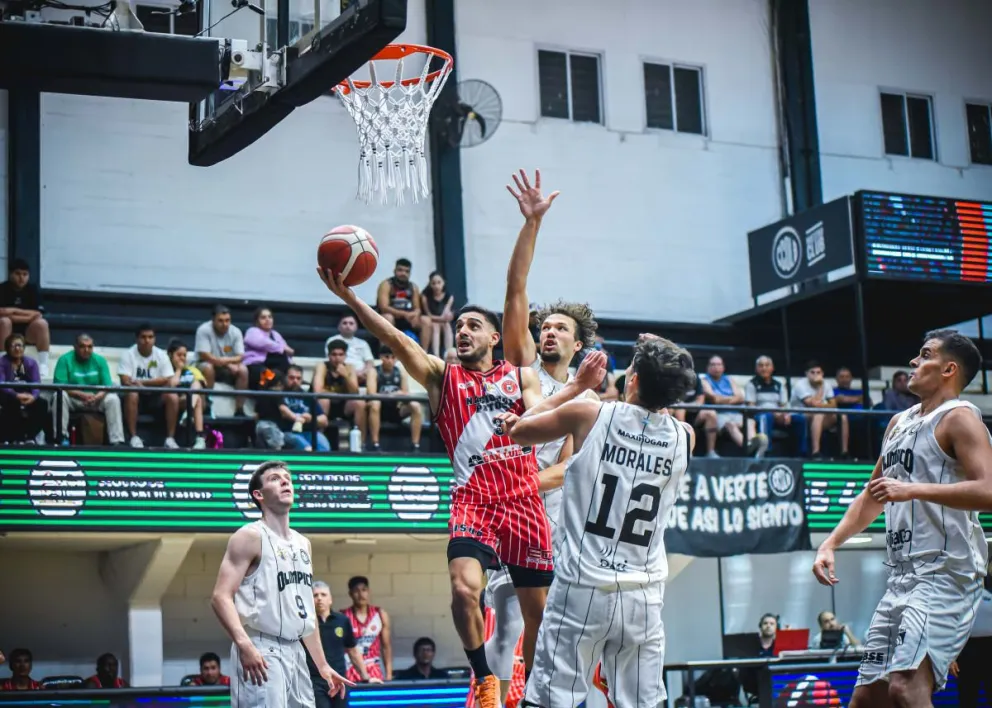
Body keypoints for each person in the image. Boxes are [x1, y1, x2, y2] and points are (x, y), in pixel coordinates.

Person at [316, 266, 607, 708]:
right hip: (473, 500)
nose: (463, 331)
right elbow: (396, 339)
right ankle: (485, 677)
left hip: (523, 499)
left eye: (473, 325)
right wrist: (353, 300)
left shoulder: (521, 376)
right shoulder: (442, 376)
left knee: (538, 614)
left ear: (494, 337)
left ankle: (534, 696)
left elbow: (541, 419)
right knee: (464, 590)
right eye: (458, 326)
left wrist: (578, 389)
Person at [500, 335, 696, 708]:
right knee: (642, 703)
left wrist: (578, 385)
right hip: (643, 595)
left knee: (548, 701)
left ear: (633, 379)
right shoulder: (685, 437)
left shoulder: (589, 413)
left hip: (582, 587)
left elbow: (518, 431)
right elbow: (664, 392)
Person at [812, 330, 992, 708]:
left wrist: (912, 490)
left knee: (906, 689)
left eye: (925, 355)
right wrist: (830, 543)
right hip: (901, 578)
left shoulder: (960, 418)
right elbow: (872, 494)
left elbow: (988, 491)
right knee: (867, 698)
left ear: (948, 369)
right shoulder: (899, 422)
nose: (913, 361)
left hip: (946, 572)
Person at [493, 167, 599, 702]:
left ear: (578, 345)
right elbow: (516, 289)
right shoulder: (523, 368)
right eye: (546, 326)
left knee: (553, 631)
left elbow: (571, 468)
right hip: (506, 515)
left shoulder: (587, 401)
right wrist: (532, 224)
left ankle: (544, 698)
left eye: (561, 328)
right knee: (500, 629)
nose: (549, 330)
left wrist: (522, 486)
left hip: (555, 519)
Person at [210, 460, 352, 707]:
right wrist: (244, 644)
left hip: (296, 650)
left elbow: (306, 613)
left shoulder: (303, 543)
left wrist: (322, 664)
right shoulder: (249, 536)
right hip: (261, 646)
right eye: (275, 479)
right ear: (259, 495)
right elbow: (220, 597)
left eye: (287, 478)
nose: (285, 481)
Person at [308, 581, 377, 708]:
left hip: (339, 681)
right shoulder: (306, 623)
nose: (319, 598)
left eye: (323, 594)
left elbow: (353, 651)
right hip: (314, 682)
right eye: (315, 595)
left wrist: (366, 677)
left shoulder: (342, 620)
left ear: (330, 599)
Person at [949, 553, 992, 708]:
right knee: (967, 698)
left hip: (990, 648)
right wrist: (951, 657)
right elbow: (951, 624)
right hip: (967, 648)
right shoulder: (958, 591)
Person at [366, 345, 423, 452]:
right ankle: (375, 444)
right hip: (379, 410)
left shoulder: (400, 371)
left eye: (393, 357)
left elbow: (405, 393)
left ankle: (415, 445)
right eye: (387, 357)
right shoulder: (373, 371)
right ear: (381, 357)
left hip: (395, 408)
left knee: (415, 405)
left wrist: (400, 394)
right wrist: (393, 395)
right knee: (375, 404)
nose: (390, 360)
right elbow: (371, 393)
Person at [0, 259, 50, 377]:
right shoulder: (2, 289)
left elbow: (38, 314)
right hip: (6, 332)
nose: (21, 278)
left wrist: (12, 311)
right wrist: (27, 315)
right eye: (18, 274)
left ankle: (43, 364)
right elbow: (1, 313)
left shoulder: (32, 290)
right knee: (5, 321)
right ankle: (2, 360)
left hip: (27, 332)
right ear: (10, 274)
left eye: (25, 274)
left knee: (42, 323)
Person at [341, 576, 392, 683]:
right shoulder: (343, 616)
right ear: (350, 594)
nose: (361, 594)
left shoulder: (379, 614)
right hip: (350, 669)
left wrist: (389, 674)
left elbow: (386, 647)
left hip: (373, 669)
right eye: (356, 591)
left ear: (369, 591)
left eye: (364, 590)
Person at [0, 333, 48, 444]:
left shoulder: (31, 363)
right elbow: (2, 384)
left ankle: (30, 437)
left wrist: (33, 396)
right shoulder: (2, 362)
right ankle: (15, 438)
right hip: (7, 394)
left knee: (42, 404)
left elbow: (36, 384)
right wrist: (16, 395)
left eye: (19, 345)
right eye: (13, 346)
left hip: (27, 395)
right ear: (7, 348)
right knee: (12, 403)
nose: (17, 348)